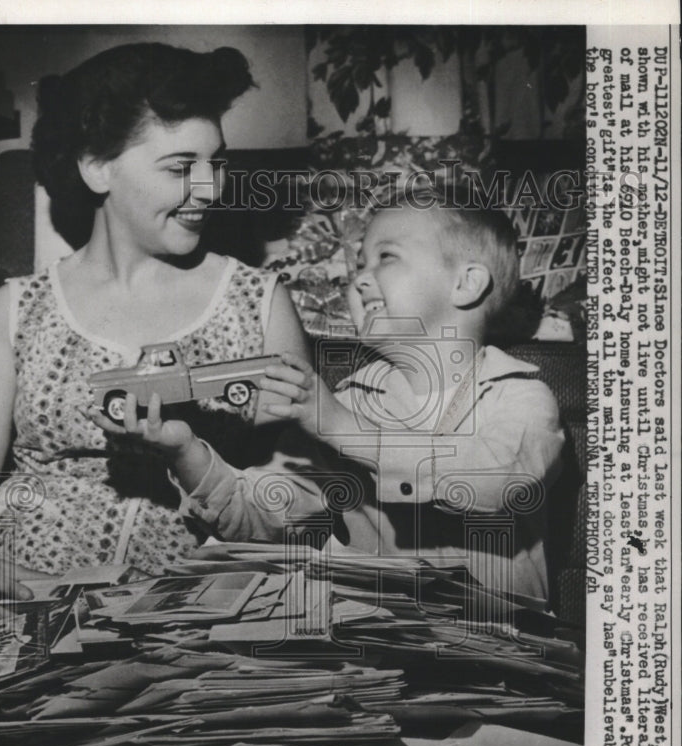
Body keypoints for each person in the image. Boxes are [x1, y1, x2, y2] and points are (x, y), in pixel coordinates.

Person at [0, 42, 309, 626]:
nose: (210, 189)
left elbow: (295, 503)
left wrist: (192, 461)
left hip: (195, 616)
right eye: (180, 168)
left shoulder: (260, 303)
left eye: (216, 163)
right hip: (26, 603)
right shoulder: (13, 310)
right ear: (96, 168)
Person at [162, 199, 567, 602]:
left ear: (466, 284)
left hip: (498, 646)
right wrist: (186, 450)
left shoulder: (520, 395)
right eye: (358, 263)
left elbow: (502, 484)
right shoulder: (348, 402)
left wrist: (342, 429)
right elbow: (266, 523)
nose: (357, 279)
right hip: (381, 642)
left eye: (386, 257)